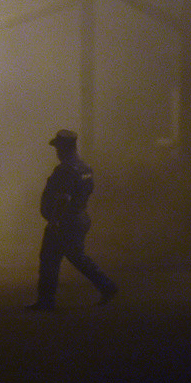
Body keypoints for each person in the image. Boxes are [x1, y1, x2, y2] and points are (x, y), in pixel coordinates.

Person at [26, 129, 118, 311]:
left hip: (64, 221)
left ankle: (46, 301)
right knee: (76, 256)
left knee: (49, 259)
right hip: (79, 217)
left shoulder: (65, 170)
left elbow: (63, 198)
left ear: (63, 148)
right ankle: (107, 286)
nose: (57, 152)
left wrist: (54, 221)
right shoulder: (84, 168)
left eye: (58, 148)